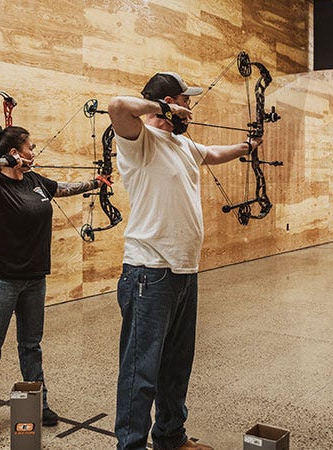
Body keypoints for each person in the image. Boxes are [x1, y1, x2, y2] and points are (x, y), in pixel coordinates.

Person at [107, 72, 263, 450]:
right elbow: (117, 106)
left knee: (176, 366)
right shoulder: (140, 141)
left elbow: (213, 153)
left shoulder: (184, 145)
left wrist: (247, 145)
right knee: (140, 369)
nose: (191, 108)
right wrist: (163, 108)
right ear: (169, 103)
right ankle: (129, 445)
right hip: (149, 273)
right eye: (185, 101)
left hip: (183, 272)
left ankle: (170, 437)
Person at [0, 123, 107, 447]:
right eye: (30, 147)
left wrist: (93, 183)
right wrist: (5, 161)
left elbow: (62, 189)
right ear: (16, 151)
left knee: (31, 346)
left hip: (33, 279)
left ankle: (38, 404)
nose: (34, 151)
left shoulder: (35, 180)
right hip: (1, 279)